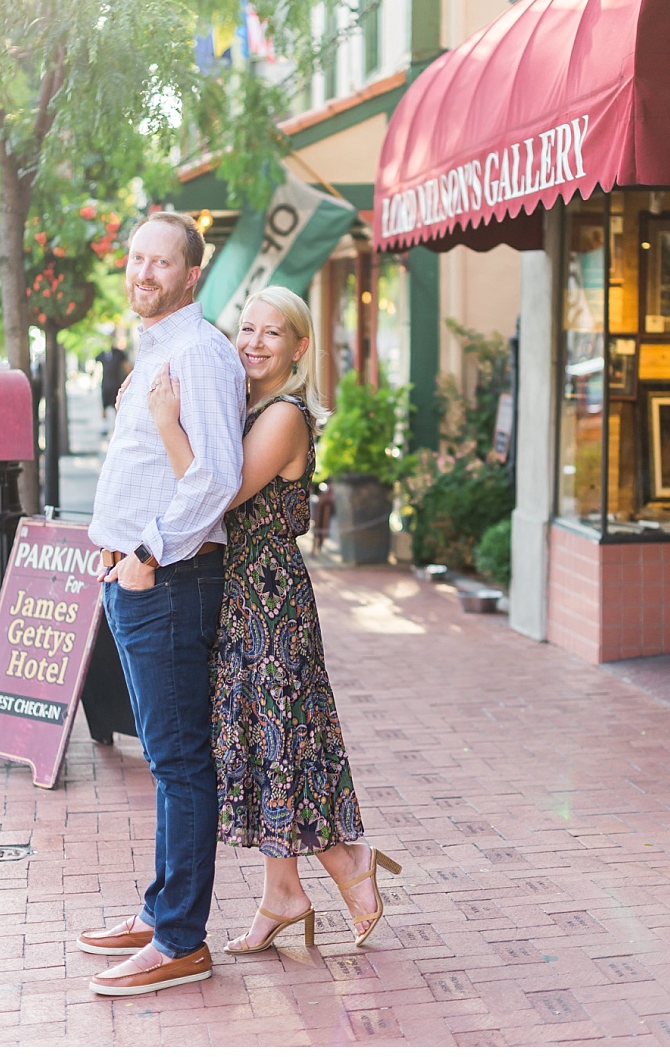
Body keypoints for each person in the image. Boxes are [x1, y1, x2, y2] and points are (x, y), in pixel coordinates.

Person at [145, 285, 399, 954]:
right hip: (242, 595)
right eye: (247, 328)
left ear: (299, 347)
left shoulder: (283, 414)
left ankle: (350, 864)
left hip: (270, 601)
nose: (254, 341)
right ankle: (281, 892)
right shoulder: (251, 405)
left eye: (273, 332)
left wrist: (169, 425)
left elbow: (217, 496)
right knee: (261, 744)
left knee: (283, 741)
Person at [77, 212, 245, 997]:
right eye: (137, 256)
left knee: (180, 763)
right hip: (138, 581)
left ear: (190, 274)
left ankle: (181, 938)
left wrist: (142, 553)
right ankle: (160, 909)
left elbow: (211, 479)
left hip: (168, 582)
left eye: (160, 261)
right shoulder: (157, 352)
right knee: (167, 759)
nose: (143, 270)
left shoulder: (201, 355)